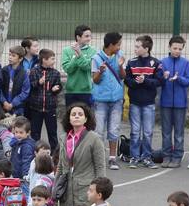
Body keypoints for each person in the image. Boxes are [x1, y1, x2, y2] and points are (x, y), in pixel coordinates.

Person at [53, 101, 108, 206]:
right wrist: (54, 189)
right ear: (69, 119)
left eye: (80, 114)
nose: (76, 116)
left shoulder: (94, 138)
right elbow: (61, 166)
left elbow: (100, 166)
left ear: (86, 119)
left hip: (86, 192)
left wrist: (100, 192)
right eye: (73, 114)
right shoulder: (65, 138)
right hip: (67, 193)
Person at [90, 32, 125, 169]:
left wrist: (121, 65)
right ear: (111, 45)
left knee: (114, 128)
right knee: (99, 130)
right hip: (101, 99)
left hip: (116, 98)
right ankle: (98, 158)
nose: (119, 47)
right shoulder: (96, 58)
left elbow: (122, 76)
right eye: (118, 44)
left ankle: (112, 158)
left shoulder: (119, 55)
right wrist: (100, 71)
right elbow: (95, 80)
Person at [123, 34, 160, 167]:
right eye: (135, 46)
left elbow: (159, 81)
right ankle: (134, 157)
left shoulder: (155, 63)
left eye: (138, 47)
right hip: (135, 103)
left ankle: (147, 157)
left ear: (146, 48)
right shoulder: (131, 62)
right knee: (135, 131)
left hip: (149, 103)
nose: (135, 49)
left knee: (148, 131)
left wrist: (146, 81)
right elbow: (127, 80)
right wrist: (135, 82)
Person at [158, 35, 189, 167]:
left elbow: (188, 81)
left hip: (180, 103)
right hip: (165, 102)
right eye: (174, 48)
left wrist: (179, 78)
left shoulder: (186, 63)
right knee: (166, 132)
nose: (177, 51)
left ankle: (177, 156)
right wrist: (163, 76)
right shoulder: (163, 62)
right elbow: (159, 79)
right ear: (169, 47)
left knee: (178, 132)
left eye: (179, 48)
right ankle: (166, 156)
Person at [61, 25, 97, 107]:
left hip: (86, 91)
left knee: (86, 118)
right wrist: (76, 58)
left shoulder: (93, 51)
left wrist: (79, 54)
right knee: (71, 117)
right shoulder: (66, 50)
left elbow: (87, 67)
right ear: (78, 37)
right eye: (86, 36)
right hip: (71, 91)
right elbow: (68, 69)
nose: (89, 38)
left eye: (90, 36)